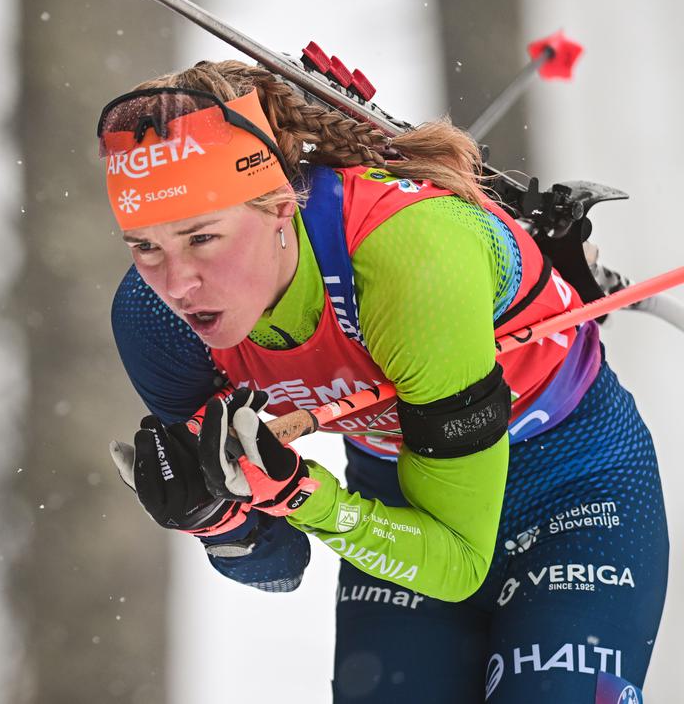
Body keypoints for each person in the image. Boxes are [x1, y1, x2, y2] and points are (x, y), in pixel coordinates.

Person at [98, 59, 668, 703]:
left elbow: (458, 563)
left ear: (282, 207)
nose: (177, 284)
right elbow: (279, 570)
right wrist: (218, 521)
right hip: (400, 493)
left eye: (202, 237)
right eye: (145, 247)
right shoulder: (157, 324)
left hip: (574, 487)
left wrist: (303, 497)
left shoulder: (409, 260)